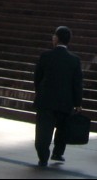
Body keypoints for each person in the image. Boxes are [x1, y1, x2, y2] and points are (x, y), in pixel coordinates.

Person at [34, 26, 83, 167]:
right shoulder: (75, 60)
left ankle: (43, 156)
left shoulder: (45, 56)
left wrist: (39, 91)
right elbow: (77, 83)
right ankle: (58, 152)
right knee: (62, 128)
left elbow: (37, 77)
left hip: (46, 100)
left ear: (56, 38)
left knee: (43, 130)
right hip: (65, 101)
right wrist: (78, 102)